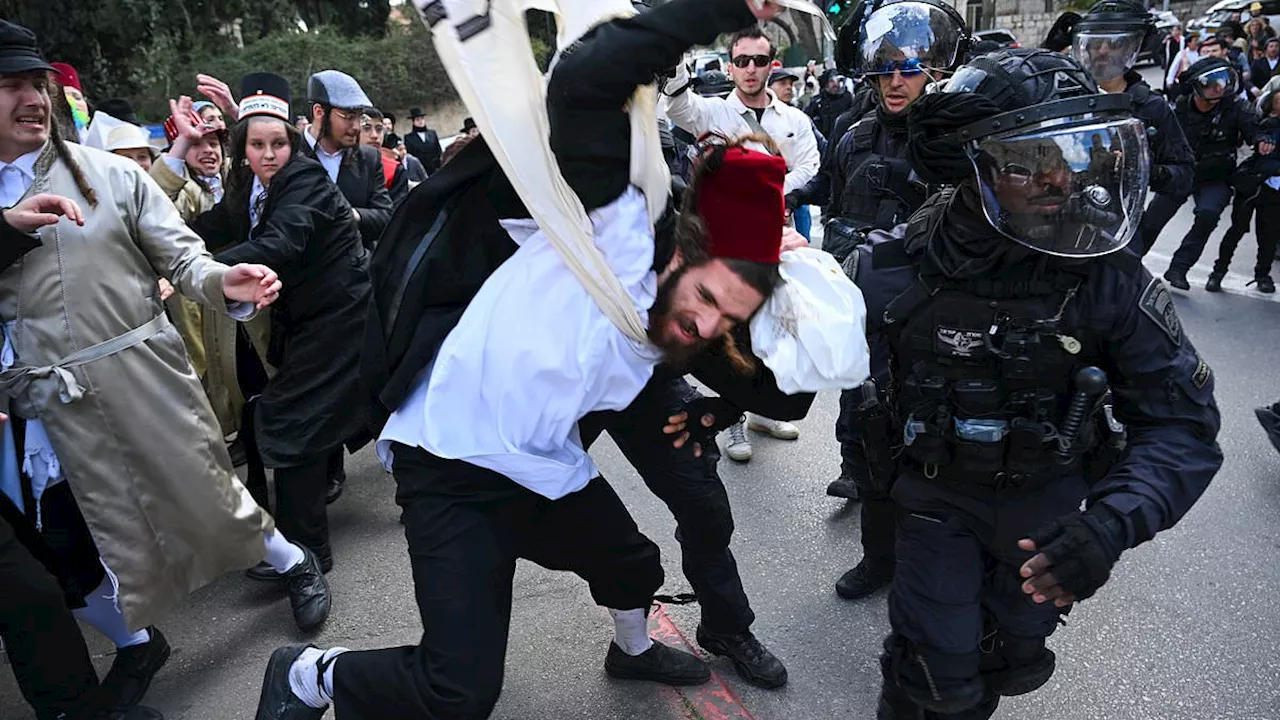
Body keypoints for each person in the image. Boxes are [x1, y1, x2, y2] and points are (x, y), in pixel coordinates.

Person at [252, 1, 814, 717]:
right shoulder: (610, 222)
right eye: (709, 297)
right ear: (688, 248)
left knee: (632, 561)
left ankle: (632, 648)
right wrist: (723, 9)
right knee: (458, 691)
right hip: (454, 462)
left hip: (545, 465)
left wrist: (807, 303)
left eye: (728, 316)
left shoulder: (695, 310)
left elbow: (782, 396)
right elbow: (585, 79)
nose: (706, 325)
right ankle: (310, 674)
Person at [851, 48, 1222, 719]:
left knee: (1011, 659)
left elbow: (1183, 426)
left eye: (1070, 157)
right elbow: (798, 374)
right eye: (1031, 163)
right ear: (974, 171)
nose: (1059, 181)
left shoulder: (1106, 276)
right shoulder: (896, 269)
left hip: (1045, 505)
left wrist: (1111, 524)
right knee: (935, 674)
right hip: (936, 497)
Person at [0, 19, 330, 714]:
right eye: (9, 86)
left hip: (139, 377)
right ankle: (136, 640)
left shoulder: (112, 176)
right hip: (39, 409)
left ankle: (294, 562)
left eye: (36, 84)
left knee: (207, 498)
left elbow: (185, 260)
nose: (31, 98)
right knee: (59, 553)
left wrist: (225, 283)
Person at [187, 72, 373, 584]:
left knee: (294, 422)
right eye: (257, 144)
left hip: (341, 316)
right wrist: (161, 249)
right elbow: (215, 226)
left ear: (293, 141)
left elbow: (280, 244)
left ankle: (307, 551)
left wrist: (192, 278)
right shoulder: (248, 185)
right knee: (297, 424)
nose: (269, 155)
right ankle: (302, 543)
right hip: (302, 320)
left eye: (278, 143)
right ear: (242, 147)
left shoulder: (305, 179)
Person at [824, 0, 971, 603]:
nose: (896, 81)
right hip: (865, 317)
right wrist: (846, 253)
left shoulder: (957, 142)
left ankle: (932, 568)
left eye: (909, 69)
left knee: (936, 446)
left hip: (934, 320)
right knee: (867, 436)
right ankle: (877, 559)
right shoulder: (853, 137)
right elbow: (835, 215)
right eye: (885, 70)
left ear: (934, 71)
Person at [662, 23, 820, 463]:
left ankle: (764, 412)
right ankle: (731, 424)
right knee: (729, 334)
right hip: (720, 249)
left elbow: (810, 164)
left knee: (771, 329)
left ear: (772, 65)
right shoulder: (711, 113)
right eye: (742, 61)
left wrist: (773, 194)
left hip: (775, 243)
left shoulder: (794, 120)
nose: (750, 70)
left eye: (759, 61)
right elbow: (677, 105)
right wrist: (673, 48)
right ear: (731, 67)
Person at [1069, 0, 1196, 255]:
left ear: (1133, 47)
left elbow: (1184, 176)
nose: (1102, 51)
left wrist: (1144, 170)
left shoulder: (1151, 107)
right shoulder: (1063, 96)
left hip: (1117, 234)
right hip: (1061, 226)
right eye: (1095, 44)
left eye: (1113, 44)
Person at [1138, 58, 1260, 287]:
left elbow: (1256, 130)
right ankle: (1129, 266)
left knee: (1208, 215)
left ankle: (1179, 268)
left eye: (1222, 82)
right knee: (1153, 218)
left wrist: (1265, 140)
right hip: (1182, 172)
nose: (1218, 88)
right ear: (1197, 87)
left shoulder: (1235, 108)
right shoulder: (1178, 109)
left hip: (1216, 176)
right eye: (1211, 83)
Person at [1208, 89, 1280, 293]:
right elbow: (1263, 156)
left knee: (1269, 235)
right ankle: (1218, 272)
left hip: (1274, 191)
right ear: (1272, 107)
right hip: (1254, 186)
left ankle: (1263, 275)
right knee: (1237, 230)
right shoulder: (1266, 126)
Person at [805, 68, 855, 140]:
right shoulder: (817, 102)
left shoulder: (847, 98)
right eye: (832, 81)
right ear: (826, 83)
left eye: (837, 81)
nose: (835, 84)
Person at [403, 106, 442, 174]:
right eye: (418, 120)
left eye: (422, 119)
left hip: (436, 168)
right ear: (413, 122)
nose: (421, 121)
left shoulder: (432, 133)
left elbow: (438, 150)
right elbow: (411, 156)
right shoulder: (409, 138)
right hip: (421, 169)